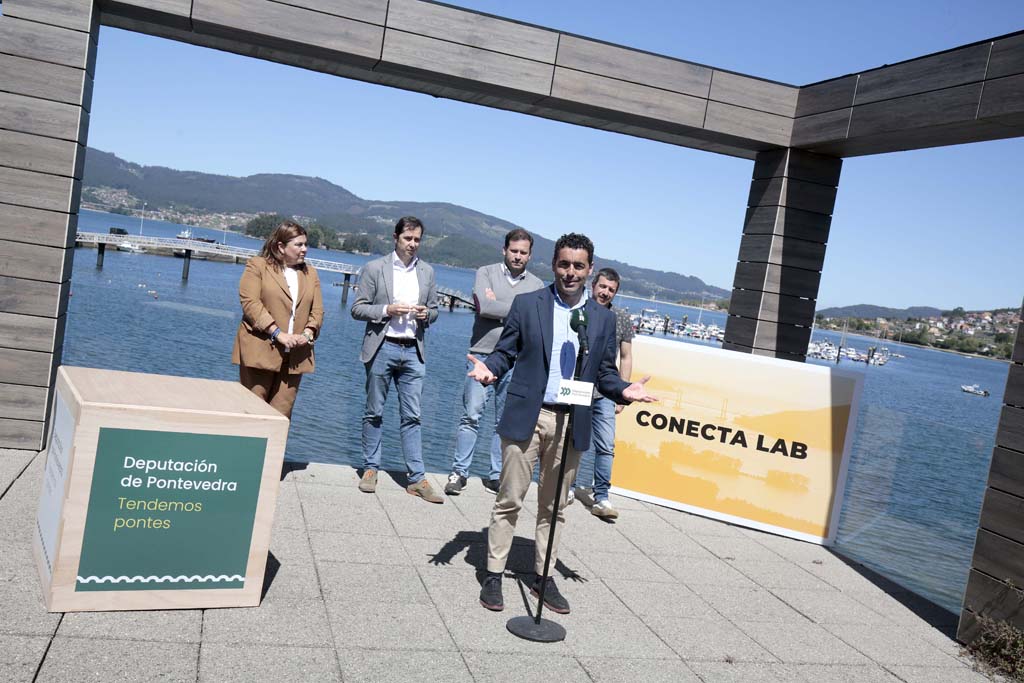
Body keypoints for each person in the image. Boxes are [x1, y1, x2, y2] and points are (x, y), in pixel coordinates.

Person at [466, 233, 657, 613]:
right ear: (554, 264)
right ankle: (493, 573)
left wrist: (623, 391)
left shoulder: (602, 319)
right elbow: (506, 352)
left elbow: (603, 372)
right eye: (564, 264)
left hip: (572, 422)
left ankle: (542, 576)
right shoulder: (527, 304)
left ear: (589, 270)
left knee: (554, 508)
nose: (570, 272)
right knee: (509, 500)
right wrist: (491, 370)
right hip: (529, 414)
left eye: (578, 266)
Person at [445, 229, 545, 496]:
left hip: (514, 360)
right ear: (504, 250)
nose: (518, 256)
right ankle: (459, 472)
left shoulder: (537, 284)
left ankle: (495, 476)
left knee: (504, 421)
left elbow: (533, 319)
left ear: (530, 255)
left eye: (523, 252)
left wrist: (498, 304)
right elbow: (483, 308)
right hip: (481, 355)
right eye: (514, 251)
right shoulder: (485, 272)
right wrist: (518, 308)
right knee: (471, 416)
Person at [351, 216, 441, 503]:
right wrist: (387, 309)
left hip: (414, 351)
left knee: (413, 416)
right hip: (382, 348)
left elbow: (436, 309)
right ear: (396, 237)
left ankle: (416, 478)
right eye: (407, 239)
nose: (412, 244)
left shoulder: (427, 272)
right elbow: (358, 309)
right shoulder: (375, 268)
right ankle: (370, 469)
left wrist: (428, 314)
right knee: (374, 412)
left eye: (417, 240)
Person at [232, 220, 323, 419]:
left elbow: (317, 311)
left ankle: (273, 452)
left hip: (295, 358)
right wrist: (277, 333)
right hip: (260, 352)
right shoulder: (258, 266)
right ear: (281, 246)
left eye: (305, 244)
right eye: (298, 245)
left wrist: (308, 333)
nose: (305, 249)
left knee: (280, 419)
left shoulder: (311, 274)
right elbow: (250, 303)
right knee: (252, 413)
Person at [570, 268, 633, 519]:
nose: (605, 292)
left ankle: (602, 497)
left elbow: (626, 356)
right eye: (602, 287)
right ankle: (568, 487)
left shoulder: (621, 317)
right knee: (574, 440)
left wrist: (623, 393)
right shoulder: (579, 310)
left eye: (611, 290)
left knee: (606, 445)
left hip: (606, 390)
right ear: (593, 285)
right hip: (579, 387)